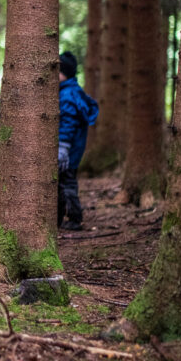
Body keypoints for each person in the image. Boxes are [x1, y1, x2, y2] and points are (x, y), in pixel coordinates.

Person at [58, 51, 98, 231]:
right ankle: (58, 217)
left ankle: (75, 218)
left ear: (63, 73)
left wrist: (63, 147)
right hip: (70, 148)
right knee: (61, 182)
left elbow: (68, 123)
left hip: (68, 149)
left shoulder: (67, 95)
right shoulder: (71, 91)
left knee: (67, 182)